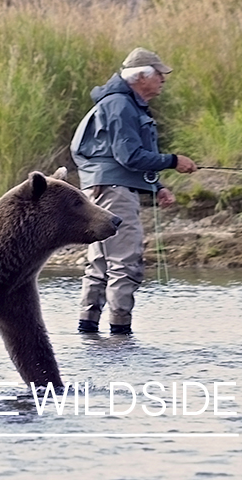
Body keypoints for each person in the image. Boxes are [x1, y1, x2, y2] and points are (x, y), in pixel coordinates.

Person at [69, 47, 198, 335]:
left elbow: (119, 156)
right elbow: (128, 155)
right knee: (124, 263)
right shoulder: (121, 105)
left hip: (103, 189)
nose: (164, 80)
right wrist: (173, 161)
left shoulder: (120, 103)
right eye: (159, 74)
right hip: (113, 192)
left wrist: (157, 186)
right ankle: (120, 337)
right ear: (141, 76)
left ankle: (88, 332)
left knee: (100, 264)